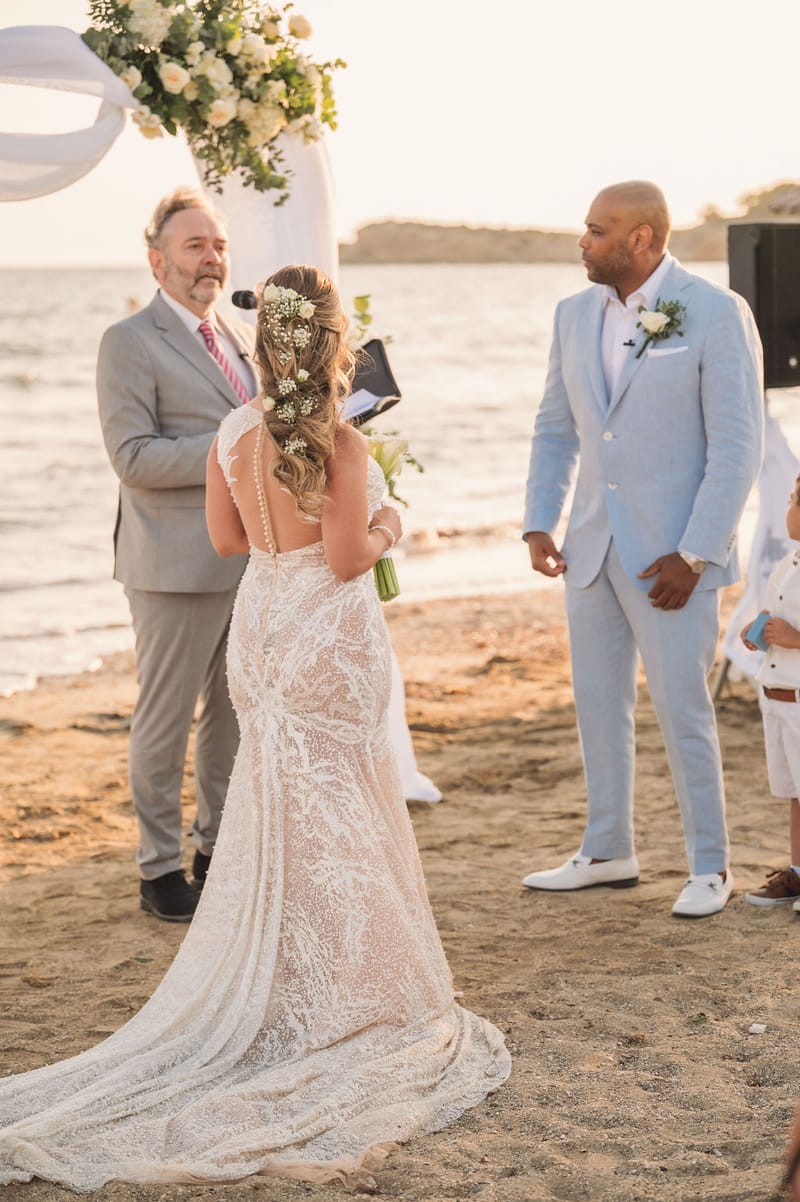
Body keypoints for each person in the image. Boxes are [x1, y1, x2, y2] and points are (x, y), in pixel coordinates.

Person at [0, 266, 510, 1190]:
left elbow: (232, 542)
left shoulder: (234, 431)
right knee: (344, 810)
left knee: (281, 809)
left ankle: (282, 987)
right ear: (332, 345)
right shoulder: (343, 445)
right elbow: (350, 558)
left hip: (266, 628)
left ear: (264, 345)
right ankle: (346, 998)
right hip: (327, 629)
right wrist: (393, 521)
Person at [521, 180, 764, 918]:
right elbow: (556, 428)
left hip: (672, 563)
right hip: (590, 548)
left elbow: (737, 447)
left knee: (683, 709)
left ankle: (711, 867)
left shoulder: (717, 313)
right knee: (598, 705)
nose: (583, 242)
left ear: (643, 239)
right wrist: (539, 521)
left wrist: (694, 555)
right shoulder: (571, 315)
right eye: (584, 229)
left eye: (598, 231)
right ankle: (607, 851)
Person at [97, 188, 256, 922]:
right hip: (169, 565)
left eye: (218, 245)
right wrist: (240, 441)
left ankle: (215, 849)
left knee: (230, 716)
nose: (211, 258)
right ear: (158, 260)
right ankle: (158, 868)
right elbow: (134, 459)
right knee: (163, 721)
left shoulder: (240, 339)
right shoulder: (128, 341)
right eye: (195, 246)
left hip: (248, 559)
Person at [741, 474, 800, 907]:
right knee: (794, 794)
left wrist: (795, 637)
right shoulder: (789, 562)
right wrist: (757, 628)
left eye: (795, 501)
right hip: (776, 695)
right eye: (792, 499)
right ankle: (797, 873)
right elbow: (775, 612)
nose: (790, 510)